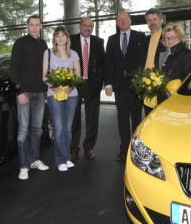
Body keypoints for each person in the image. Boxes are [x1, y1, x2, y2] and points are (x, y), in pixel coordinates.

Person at [9, 15, 50, 180]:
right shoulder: (20, 43)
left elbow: (46, 69)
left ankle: (34, 159)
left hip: (40, 93)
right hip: (25, 93)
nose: (34, 28)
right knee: (23, 131)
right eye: (31, 25)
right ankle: (24, 165)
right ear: (27, 26)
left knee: (37, 129)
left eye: (37, 25)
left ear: (40, 26)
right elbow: (13, 69)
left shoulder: (43, 44)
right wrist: (19, 92)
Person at [104, 11, 146, 161]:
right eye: (119, 20)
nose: (122, 21)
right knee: (122, 119)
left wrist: (142, 84)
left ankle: (137, 150)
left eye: (125, 19)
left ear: (130, 20)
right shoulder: (112, 39)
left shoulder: (140, 37)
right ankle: (124, 149)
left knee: (136, 119)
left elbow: (143, 61)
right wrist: (108, 84)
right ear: (117, 22)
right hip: (119, 86)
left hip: (136, 85)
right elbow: (108, 63)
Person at [43, 26, 81, 171]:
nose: (60, 38)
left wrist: (70, 87)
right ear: (54, 38)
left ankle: (66, 157)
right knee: (58, 128)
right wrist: (55, 87)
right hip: (54, 95)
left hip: (71, 95)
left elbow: (78, 76)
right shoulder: (48, 53)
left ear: (67, 38)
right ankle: (61, 160)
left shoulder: (74, 54)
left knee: (68, 128)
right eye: (57, 35)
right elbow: (44, 76)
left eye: (63, 35)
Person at [69, 18, 105, 160]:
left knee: (92, 118)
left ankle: (89, 147)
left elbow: (103, 62)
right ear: (79, 26)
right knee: (74, 117)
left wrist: (101, 80)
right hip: (74, 85)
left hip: (93, 85)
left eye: (90, 26)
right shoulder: (70, 40)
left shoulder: (99, 42)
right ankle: (73, 148)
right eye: (85, 25)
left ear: (93, 28)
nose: (87, 28)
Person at [155, 23, 191, 104]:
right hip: (162, 99)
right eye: (167, 38)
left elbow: (189, 79)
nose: (170, 40)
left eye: (173, 37)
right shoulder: (163, 54)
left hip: (178, 100)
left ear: (180, 37)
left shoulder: (188, 54)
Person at [140, 7, 166, 115]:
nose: (152, 22)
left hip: (163, 88)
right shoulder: (145, 40)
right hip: (147, 88)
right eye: (149, 20)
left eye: (155, 19)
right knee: (149, 118)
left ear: (161, 20)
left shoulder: (167, 38)